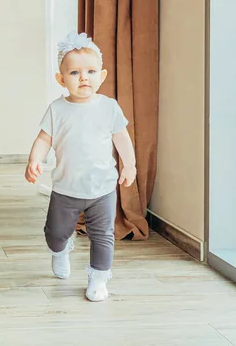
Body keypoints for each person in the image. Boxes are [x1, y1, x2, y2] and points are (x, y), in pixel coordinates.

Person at [24, 31, 136, 302]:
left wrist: (129, 164)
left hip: (102, 188)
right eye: (74, 73)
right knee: (55, 233)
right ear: (61, 80)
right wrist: (34, 159)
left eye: (90, 71)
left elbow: (121, 137)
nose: (84, 77)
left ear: (102, 75)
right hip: (66, 188)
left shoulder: (108, 107)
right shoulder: (57, 109)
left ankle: (98, 279)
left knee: (103, 236)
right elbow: (44, 138)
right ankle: (60, 250)